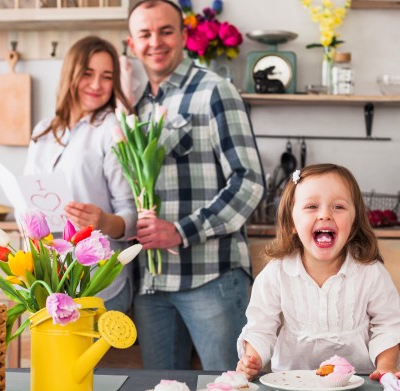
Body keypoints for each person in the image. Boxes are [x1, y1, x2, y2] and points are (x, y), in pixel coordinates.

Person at [126, 0, 266, 371]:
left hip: (211, 277)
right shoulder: (136, 109)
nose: (155, 41)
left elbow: (248, 182)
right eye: (145, 33)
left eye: (166, 30)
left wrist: (181, 232)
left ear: (185, 35)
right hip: (153, 286)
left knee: (229, 384)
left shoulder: (214, 90)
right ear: (131, 43)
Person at [236, 164, 400, 382]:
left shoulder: (370, 273)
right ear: (292, 222)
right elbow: (260, 327)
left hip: (355, 383)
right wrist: (251, 358)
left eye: (338, 207)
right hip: (291, 383)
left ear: (354, 221)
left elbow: (387, 325)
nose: (325, 215)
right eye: (312, 206)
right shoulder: (277, 272)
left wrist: (386, 366)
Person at [24, 35, 137, 313]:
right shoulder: (43, 132)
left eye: (107, 76)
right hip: (50, 281)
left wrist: (103, 220)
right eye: (88, 73)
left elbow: (133, 215)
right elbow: (28, 200)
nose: (97, 85)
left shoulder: (112, 131)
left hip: (99, 283)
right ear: (70, 74)